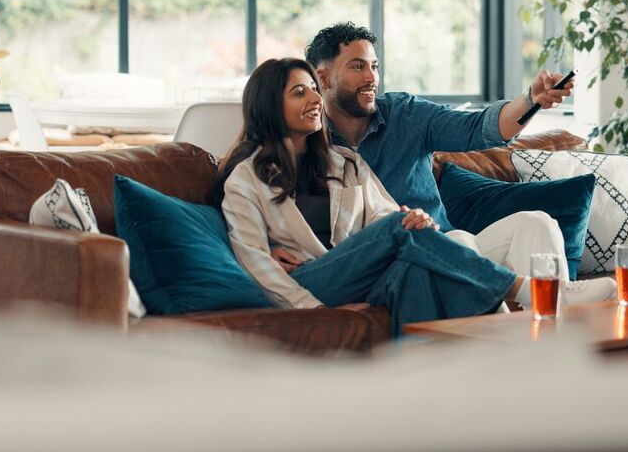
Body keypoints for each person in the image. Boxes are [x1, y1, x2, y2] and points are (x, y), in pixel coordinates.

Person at [216, 57, 538, 334]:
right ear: (270, 106)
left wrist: (415, 220)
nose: (315, 98)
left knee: (414, 269)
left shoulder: (345, 161)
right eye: (299, 92)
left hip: (360, 275)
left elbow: (384, 214)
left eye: (314, 88)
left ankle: (419, 381)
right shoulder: (245, 179)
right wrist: (314, 309)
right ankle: (521, 288)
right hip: (308, 282)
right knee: (401, 228)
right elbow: (254, 259)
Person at [303, 22, 614, 300]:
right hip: (384, 261)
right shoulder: (304, 141)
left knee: (534, 223)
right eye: (358, 67)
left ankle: (555, 314)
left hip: (446, 244)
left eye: (374, 65)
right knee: (462, 243)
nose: (372, 77)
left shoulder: (404, 114)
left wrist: (531, 100)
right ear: (324, 77)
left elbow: (480, 130)